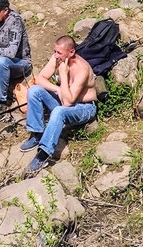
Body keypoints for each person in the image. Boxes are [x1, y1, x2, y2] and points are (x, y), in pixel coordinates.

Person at [20, 35, 97, 174]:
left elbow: (68, 102)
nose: (55, 56)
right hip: (64, 99)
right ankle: (37, 133)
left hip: (84, 107)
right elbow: (39, 79)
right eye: (55, 51)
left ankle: (43, 154)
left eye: (59, 53)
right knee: (34, 90)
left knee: (59, 111)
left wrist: (63, 74)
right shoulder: (57, 59)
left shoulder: (82, 69)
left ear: (71, 52)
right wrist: (57, 89)